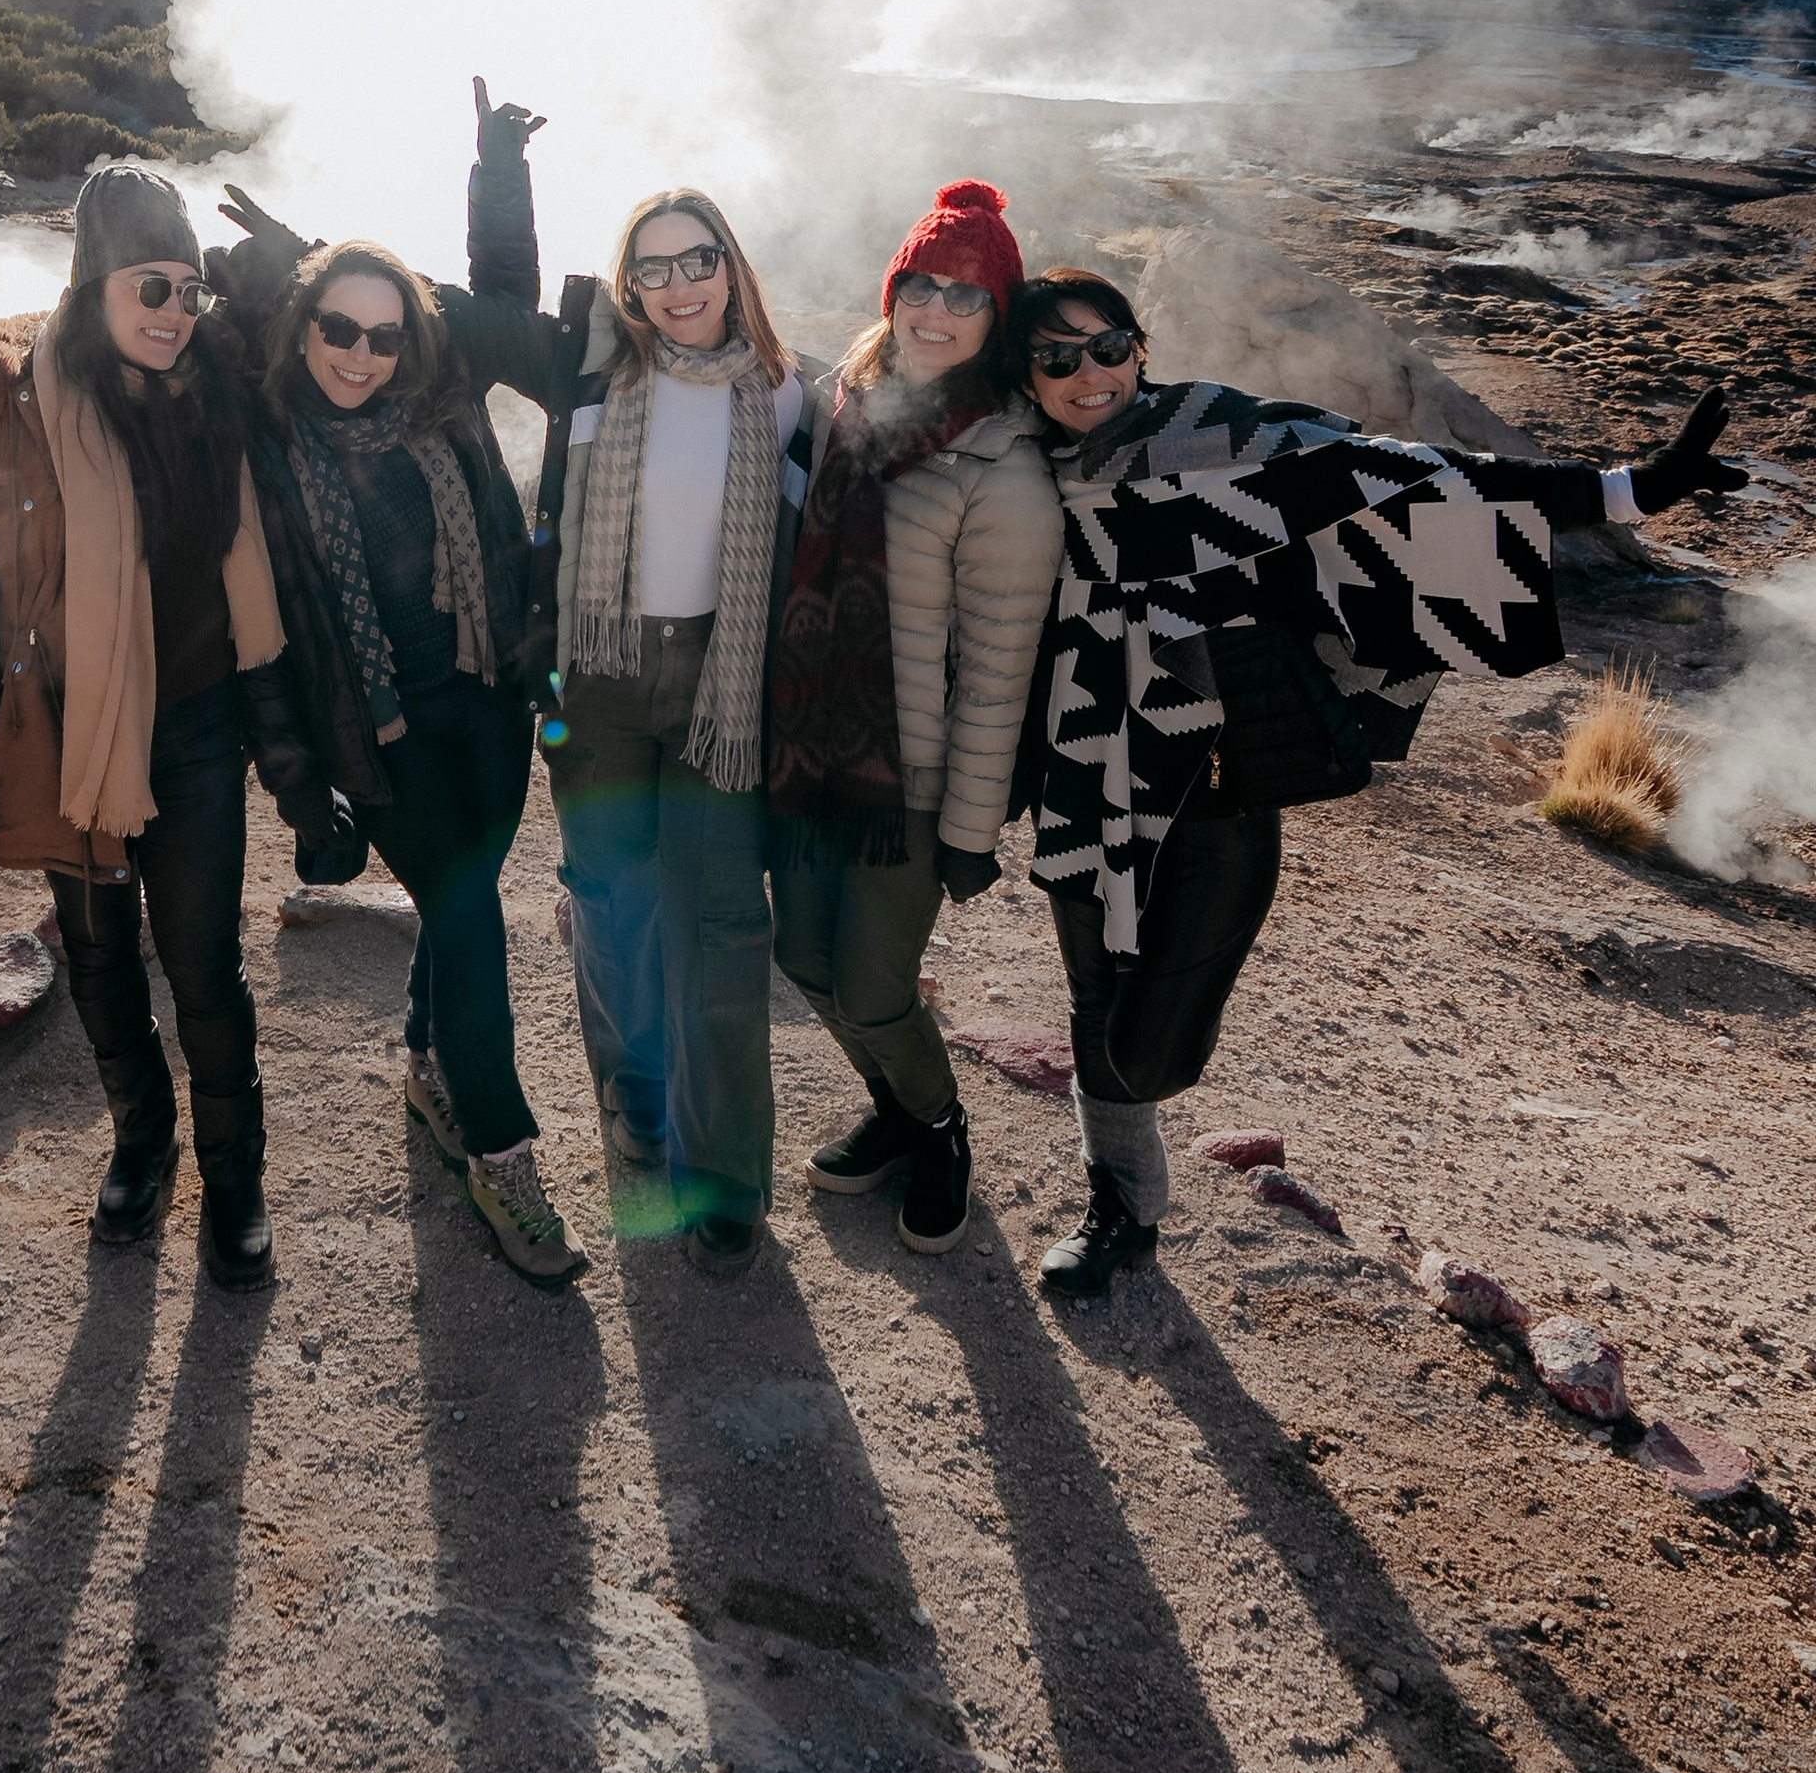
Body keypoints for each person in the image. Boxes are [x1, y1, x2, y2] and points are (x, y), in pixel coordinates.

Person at [1006, 263, 1750, 1298]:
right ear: (1025, 376)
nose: (1088, 371)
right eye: (1055, 356)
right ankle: (1122, 1206)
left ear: (1140, 345)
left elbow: (1403, 473)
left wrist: (1629, 487)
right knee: (1092, 1002)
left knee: (1147, 1054)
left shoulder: (1222, 438)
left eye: (1108, 343)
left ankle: (1131, 1135)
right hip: (1083, 769)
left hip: (1210, 780)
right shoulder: (1011, 468)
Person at [214, 88, 589, 1289]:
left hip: (485, 695)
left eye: (381, 334)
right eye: (336, 326)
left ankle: (429, 1068)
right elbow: (261, 641)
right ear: (303, 320)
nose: (358, 354)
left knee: (462, 897)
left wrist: (497, 169)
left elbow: (500, 298)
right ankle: (503, 1149)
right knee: (476, 914)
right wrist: (298, 793)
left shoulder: (444, 390)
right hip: (371, 728)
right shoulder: (267, 431)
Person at [0, 162, 340, 1290]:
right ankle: (141, 1140)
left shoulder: (221, 392)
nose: (174, 313)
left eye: (187, 290)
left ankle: (235, 1180)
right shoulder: (25, 399)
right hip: (70, 729)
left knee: (205, 964)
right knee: (96, 952)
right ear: (95, 288)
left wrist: (286, 270)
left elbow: (353, 334)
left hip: (194, 729)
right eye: (149, 288)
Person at [765, 182, 1061, 1255]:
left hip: (912, 784)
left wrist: (966, 834)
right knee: (801, 958)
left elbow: (996, 676)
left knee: (876, 989)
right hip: (809, 750)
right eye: (920, 285)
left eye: (966, 295)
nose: (935, 311)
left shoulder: (1004, 466)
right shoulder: (849, 403)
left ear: (998, 316)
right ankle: (894, 1112)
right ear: (893, 290)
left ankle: (937, 1128)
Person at [544, 185, 825, 1273]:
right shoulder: (595, 377)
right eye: (651, 268)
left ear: (730, 264)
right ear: (629, 285)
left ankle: (727, 1171)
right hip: (602, 674)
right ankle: (634, 1107)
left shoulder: (787, 395)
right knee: (611, 899)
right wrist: (502, 178)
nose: (677, 286)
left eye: (696, 259)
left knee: (721, 920)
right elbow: (487, 297)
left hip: (722, 677)